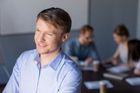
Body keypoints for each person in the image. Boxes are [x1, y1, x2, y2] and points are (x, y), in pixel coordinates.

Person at [3, 7, 82, 93]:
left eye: (48, 34)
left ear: (64, 37)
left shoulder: (70, 73)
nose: (40, 39)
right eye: (38, 31)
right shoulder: (23, 59)